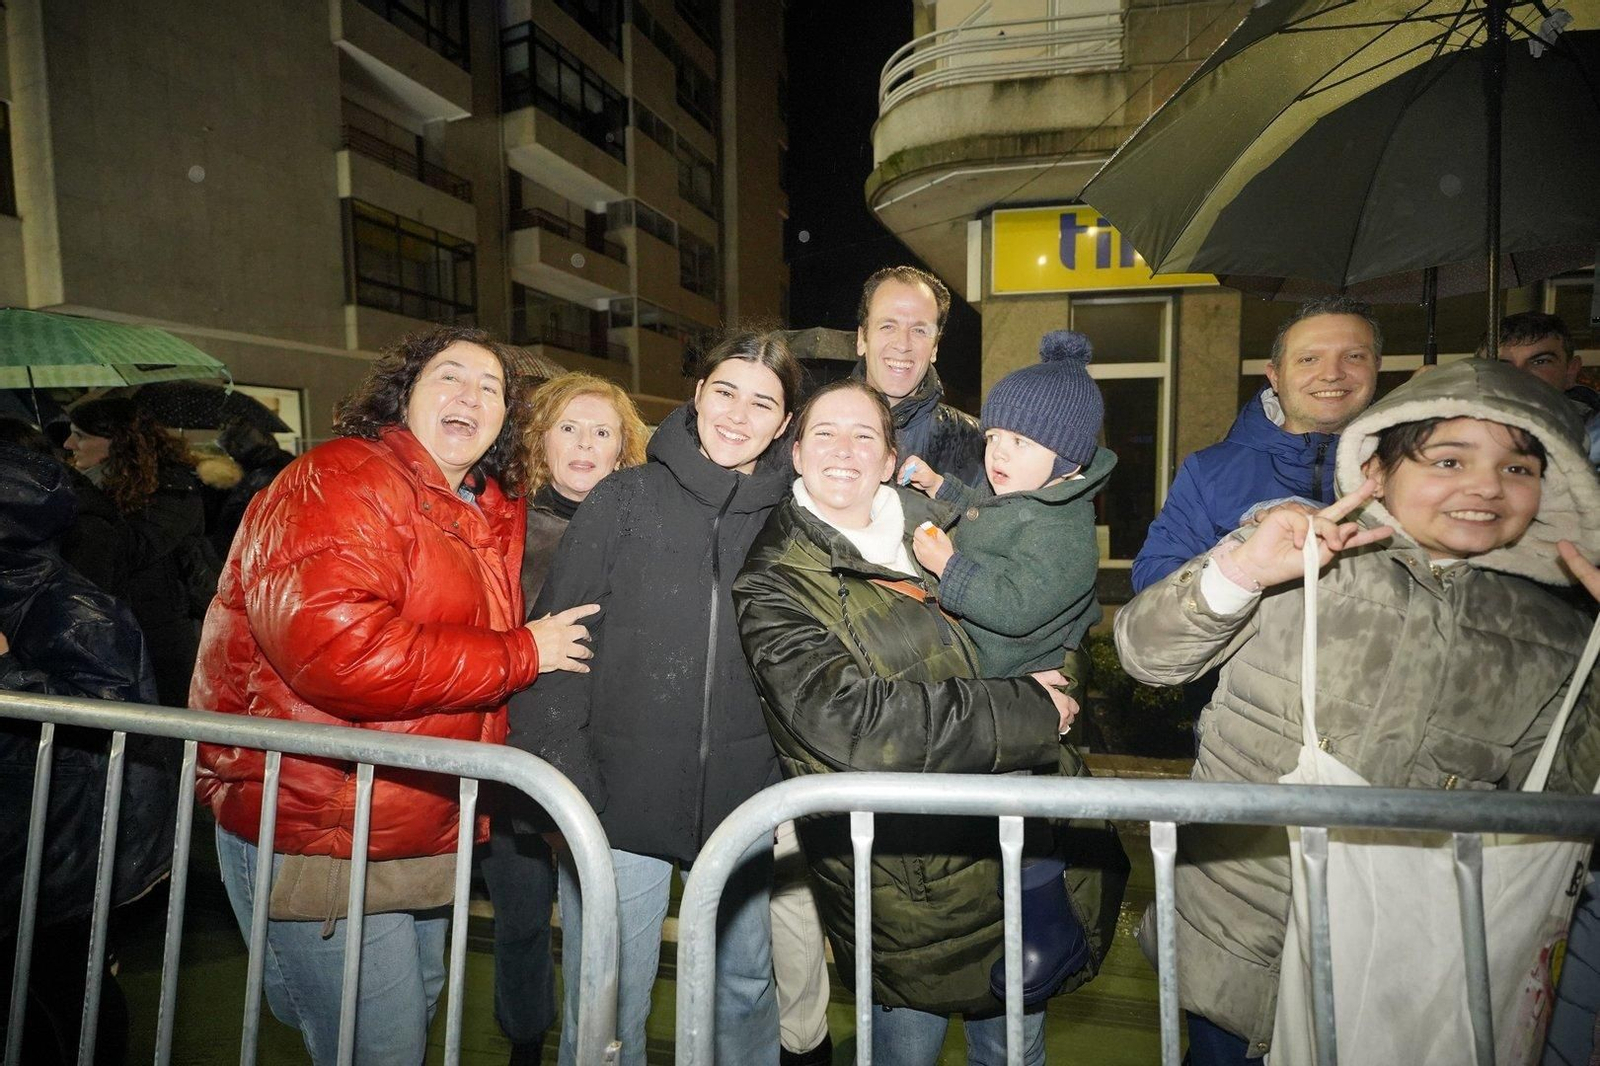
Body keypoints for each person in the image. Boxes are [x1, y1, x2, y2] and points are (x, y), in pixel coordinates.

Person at [1114, 358, 1600, 1064]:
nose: (1485, 485)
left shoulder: (1558, 637)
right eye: (1449, 459)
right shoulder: (1298, 558)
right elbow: (1147, 655)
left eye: (1518, 469)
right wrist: (1240, 572)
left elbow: (1564, 799)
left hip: (1405, 969)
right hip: (1239, 939)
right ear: (1375, 469)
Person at [191, 326, 599, 1066]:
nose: (470, 395)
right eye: (450, 376)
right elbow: (338, 653)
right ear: (403, 395)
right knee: (378, 1042)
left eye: (491, 388)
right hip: (321, 819)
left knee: (414, 1017)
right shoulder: (340, 479)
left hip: (413, 818)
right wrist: (522, 653)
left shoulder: (476, 508)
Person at [733, 378, 1082, 1066]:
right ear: (796, 453)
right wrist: (1031, 707)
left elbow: (1049, 616)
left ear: (890, 458)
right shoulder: (775, 577)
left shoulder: (950, 525)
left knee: (1012, 1051)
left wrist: (1062, 679)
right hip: (903, 881)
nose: (844, 449)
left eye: (864, 435)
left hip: (1007, 850)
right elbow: (852, 723)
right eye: (824, 433)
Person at [509, 330, 801, 1066]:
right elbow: (557, 651)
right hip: (615, 805)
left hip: (743, 808)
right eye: (724, 391)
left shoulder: (793, 517)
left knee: (744, 991)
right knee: (606, 1002)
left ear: (784, 423)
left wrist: (782, 787)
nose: (738, 415)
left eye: (762, 402)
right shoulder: (626, 497)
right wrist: (575, 792)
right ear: (696, 395)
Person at [480, 372, 646, 1066]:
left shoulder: (643, 529)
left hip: (609, 759)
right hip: (514, 757)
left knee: (600, 927)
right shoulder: (502, 529)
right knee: (521, 919)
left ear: (622, 448)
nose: (584, 445)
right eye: (568, 429)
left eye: (601, 432)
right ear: (540, 442)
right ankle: (524, 1042)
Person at [0, 442, 175, 1065]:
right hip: (30, 828)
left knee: (66, 991)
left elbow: (109, 719)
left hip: (62, 842)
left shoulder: (75, 608)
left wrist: (7, 673)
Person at [900, 328, 1116, 681]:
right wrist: (938, 484)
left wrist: (948, 566)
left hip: (1007, 674)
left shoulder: (1065, 532)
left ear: (1068, 462)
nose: (998, 452)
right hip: (976, 653)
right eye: (993, 437)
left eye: (1020, 441)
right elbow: (982, 508)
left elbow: (1016, 608)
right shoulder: (1029, 491)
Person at [1131, 295, 1383, 593]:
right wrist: (1241, 550)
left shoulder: (1408, 463)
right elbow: (1153, 583)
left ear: (1376, 367)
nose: (1332, 374)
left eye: (1354, 356)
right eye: (1308, 359)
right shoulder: (1210, 470)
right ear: (1275, 376)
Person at [63, 397, 211, 705]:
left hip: (159, 642)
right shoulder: (91, 487)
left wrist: (80, 490)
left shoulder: (173, 490)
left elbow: (131, 549)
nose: (68, 444)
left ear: (118, 441)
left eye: (80, 436)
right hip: (105, 633)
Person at [853, 265, 985, 487]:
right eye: (888, 326)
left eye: (919, 330)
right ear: (861, 339)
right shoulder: (810, 430)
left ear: (935, 348)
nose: (903, 344)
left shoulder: (977, 446)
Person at [0, 417, 132, 598]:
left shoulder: (86, 529)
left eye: (80, 436)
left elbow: (83, 608)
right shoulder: (20, 523)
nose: (68, 444)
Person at [1481, 310, 1600, 468]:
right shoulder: (1454, 429)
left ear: (1570, 371)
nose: (1521, 375)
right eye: (1503, 365)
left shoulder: (1592, 440)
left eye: (1540, 362)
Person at [207, 418, 297, 554]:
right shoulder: (287, 465)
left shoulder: (260, 476)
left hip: (257, 552)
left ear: (240, 448)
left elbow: (240, 519)